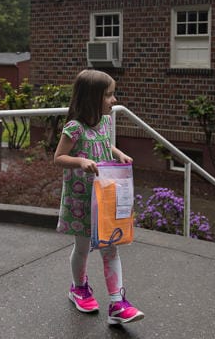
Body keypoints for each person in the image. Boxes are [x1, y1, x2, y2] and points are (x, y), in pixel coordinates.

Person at [54, 69, 145, 325]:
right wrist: (81, 162)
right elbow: (58, 157)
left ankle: (117, 302)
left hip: (104, 198)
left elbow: (104, 143)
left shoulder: (105, 122)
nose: (114, 100)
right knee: (82, 248)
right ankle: (78, 288)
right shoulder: (74, 128)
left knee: (110, 248)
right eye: (109, 95)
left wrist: (118, 154)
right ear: (92, 98)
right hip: (80, 201)